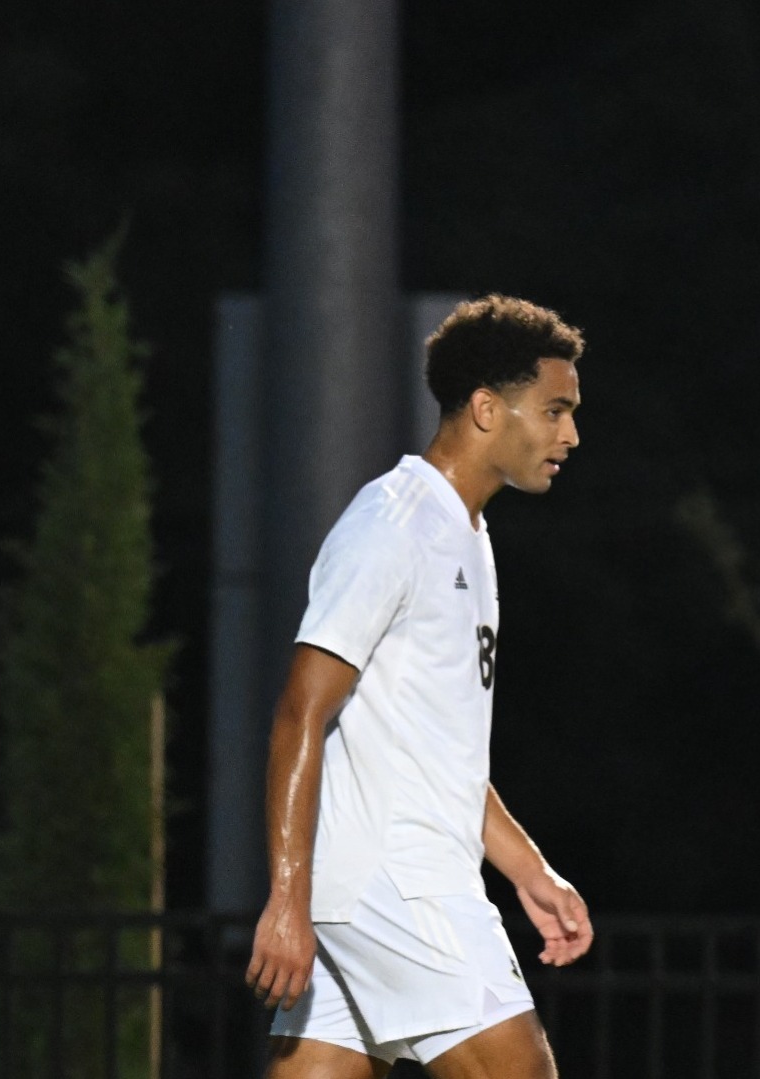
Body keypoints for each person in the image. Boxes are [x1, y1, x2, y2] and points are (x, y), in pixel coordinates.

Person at [246, 294, 595, 1078]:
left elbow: (437, 751)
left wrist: (527, 869)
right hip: (399, 886)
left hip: (371, 890)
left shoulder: (468, 534)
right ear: (483, 409)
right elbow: (300, 711)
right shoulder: (395, 523)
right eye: (554, 409)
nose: (570, 433)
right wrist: (286, 898)